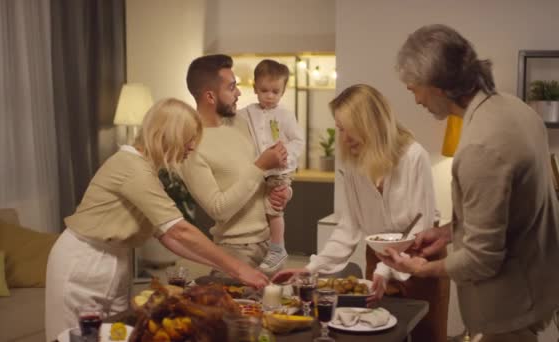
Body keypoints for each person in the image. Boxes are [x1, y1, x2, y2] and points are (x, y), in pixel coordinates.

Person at [379, 24, 559, 341]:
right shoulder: (515, 108)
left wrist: (421, 269)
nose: (415, 98)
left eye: (413, 87)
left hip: (510, 306)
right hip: (539, 285)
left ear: (436, 84)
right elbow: (513, 209)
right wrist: (449, 232)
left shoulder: (480, 148)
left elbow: (481, 259)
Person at [45, 98, 269, 341]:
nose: (193, 147)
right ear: (168, 135)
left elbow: (168, 237)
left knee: (120, 336)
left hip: (114, 261)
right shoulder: (132, 167)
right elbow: (179, 231)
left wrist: (229, 269)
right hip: (83, 262)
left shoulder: (146, 170)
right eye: (189, 138)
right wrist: (239, 268)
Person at [273, 84, 449, 342]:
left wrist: (383, 270)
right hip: (377, 263)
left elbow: (419, 228)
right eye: (339, 129)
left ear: (371, 123)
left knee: (427, 337)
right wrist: (311, 269)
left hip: (420, 263)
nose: (342, 138)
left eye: (346, 128)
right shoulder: (353, 163)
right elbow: (349, 226)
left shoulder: (414, 156)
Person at [180, 54, 291, 275]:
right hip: (234, 253)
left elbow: (269, 173)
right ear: (210, 96)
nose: (239, 93)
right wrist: (259, 166)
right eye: (232, 88)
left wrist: (284, 191)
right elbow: (218, 209)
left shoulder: (243, 122)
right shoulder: (191, 145)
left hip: (271, 246)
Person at [237, 59, 305, 273]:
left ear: (283, 91)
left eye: (275, 91)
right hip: (257, 170)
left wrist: (287, 156)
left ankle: (278, 247)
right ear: (255, 88)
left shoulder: (285, 115)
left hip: (278, 170)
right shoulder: (246, 113)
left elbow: (298, 141)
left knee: (273, 207)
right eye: (264, 90)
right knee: (259, 206)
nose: (269, 95)